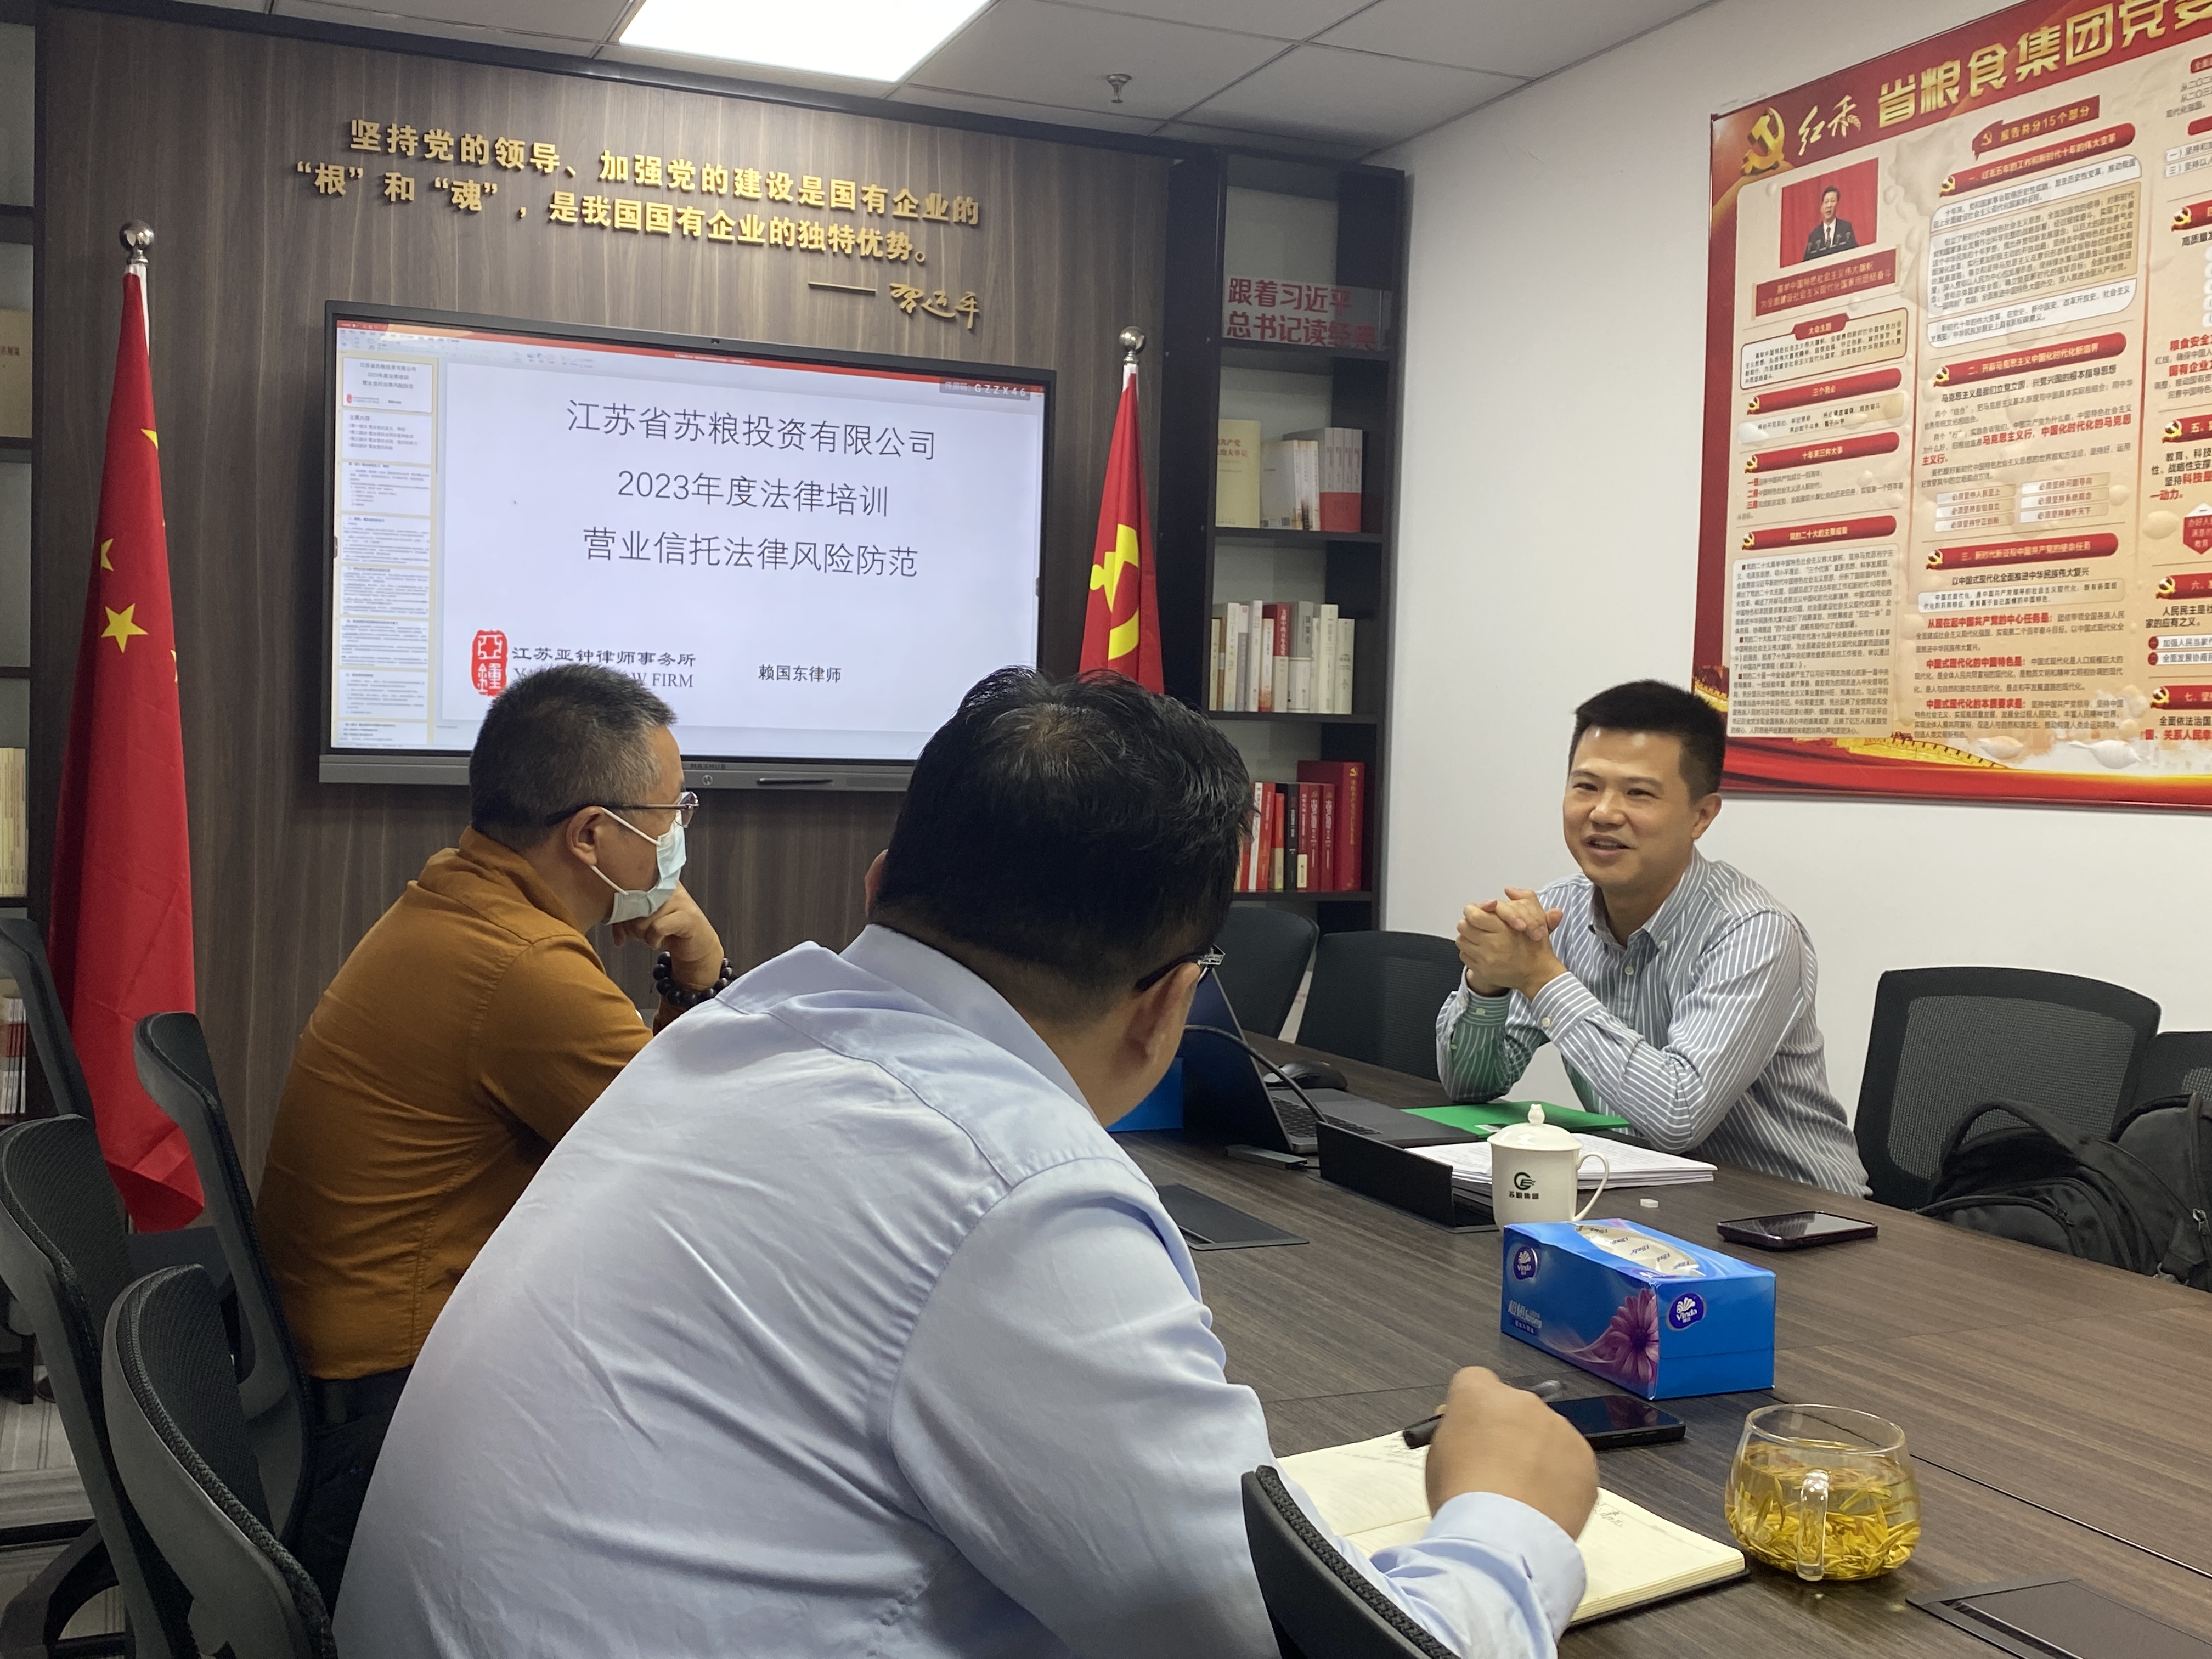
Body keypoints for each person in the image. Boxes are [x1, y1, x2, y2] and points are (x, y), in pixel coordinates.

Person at [336, 669, 1598, 1659]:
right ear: (1169, 1005)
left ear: (882, 884)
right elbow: (1294, 1639)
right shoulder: (1011, 1191)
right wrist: (1509, 1511)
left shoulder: (737, 1033)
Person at [255, 663, 734, 1600]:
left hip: (322, 1390)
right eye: (671, 811)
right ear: (592, 834)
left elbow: (654, 1112)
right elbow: (706, 1164)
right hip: (388, 1421)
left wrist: (685, 982)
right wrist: (705, 973)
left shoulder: (459, 897)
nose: (679, 833)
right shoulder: (524, 966)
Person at [1436, 679, 1867, 1196]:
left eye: (1638, 793)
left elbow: (1677, 1117)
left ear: (1701, 816)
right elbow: (1471, 1087)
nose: (1603, 812)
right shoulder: (1560, 910)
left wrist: (1541, 977)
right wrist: (1488, 984)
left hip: (1795, 1212)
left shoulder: (1753, 931)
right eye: (1586, 786)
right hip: (1650, 1195)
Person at [1803, 184, 1857, 259]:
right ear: (1821, 206)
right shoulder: (1814, 236)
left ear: (1837, 204)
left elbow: (1855, 254)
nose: (1829, 205)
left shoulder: (1846, 228)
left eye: (1833, 201)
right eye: (1826, 202)